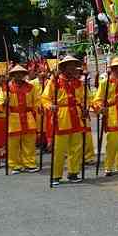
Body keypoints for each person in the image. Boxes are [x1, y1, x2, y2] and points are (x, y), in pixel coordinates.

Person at [42, 55, 89, 185]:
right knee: (59, 149)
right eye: (69, 65)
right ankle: (56, 175)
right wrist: (50, 106)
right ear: (63, 67)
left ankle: (73, 173)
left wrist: (85, 107)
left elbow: (86, 97)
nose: (72, 68)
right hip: (61, 116)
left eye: (74, 65)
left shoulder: (78, 82)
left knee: (77, 147)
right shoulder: (54, 81)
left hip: (76, 115)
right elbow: (45, 98)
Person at [0, 65, 39, 174]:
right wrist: (4, 103)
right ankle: (15, 165)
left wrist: (37, 110)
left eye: (21, 73)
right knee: (13, 144)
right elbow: (0, 101)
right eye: (16, 73)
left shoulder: (31, 87)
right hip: (13, 117)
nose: (19, 75)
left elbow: (37, 101)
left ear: (24, 75)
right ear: (13, 75)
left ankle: (29, 163)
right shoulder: (7, 87)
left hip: (28, 116)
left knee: (29, 142)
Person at [92, 56, 118, 176]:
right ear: (114, 68)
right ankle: (108, 166)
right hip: (112, 113)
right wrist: (100, 107)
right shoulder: (105, 82)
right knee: (112, 141)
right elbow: (97, 100)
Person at [30, 61, 49, 151]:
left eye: (44, 71)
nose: (42, 73)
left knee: (47, 125)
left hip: (47, 107)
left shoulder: (50, 82)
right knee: (38, 126)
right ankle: (39, 143)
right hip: (36, 108)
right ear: (36, 72)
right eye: (40, 71)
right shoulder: (32, 83)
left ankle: (48, 143)